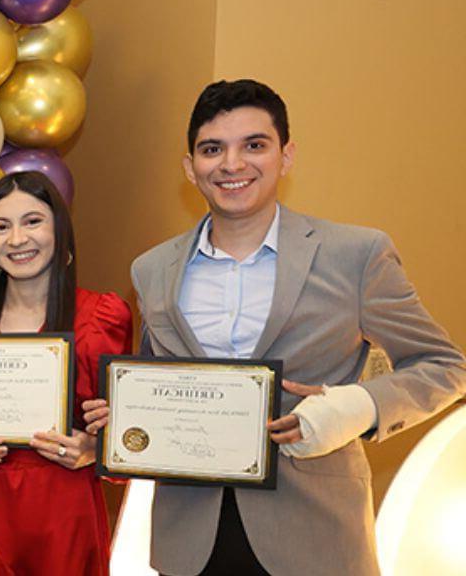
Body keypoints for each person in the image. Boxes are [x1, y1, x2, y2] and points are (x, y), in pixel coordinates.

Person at [86, 79, 466, 575]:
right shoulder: (151, 269)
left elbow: (445, 366)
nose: (232, 164)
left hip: (315, 536)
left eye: (255, 145)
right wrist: (124, 416)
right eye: (212, 149)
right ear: (190, 167)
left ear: (286, 157)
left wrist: (355, 408)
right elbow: (159, 381)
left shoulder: (356, 255)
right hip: (189, 540)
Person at [0, 171, 131, 576]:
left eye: (33, 221)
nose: (17, 239)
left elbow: (127, 434)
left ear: (59, 229)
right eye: (1, 227)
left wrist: (95, 450)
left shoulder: (103, 318)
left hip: (66, 519)